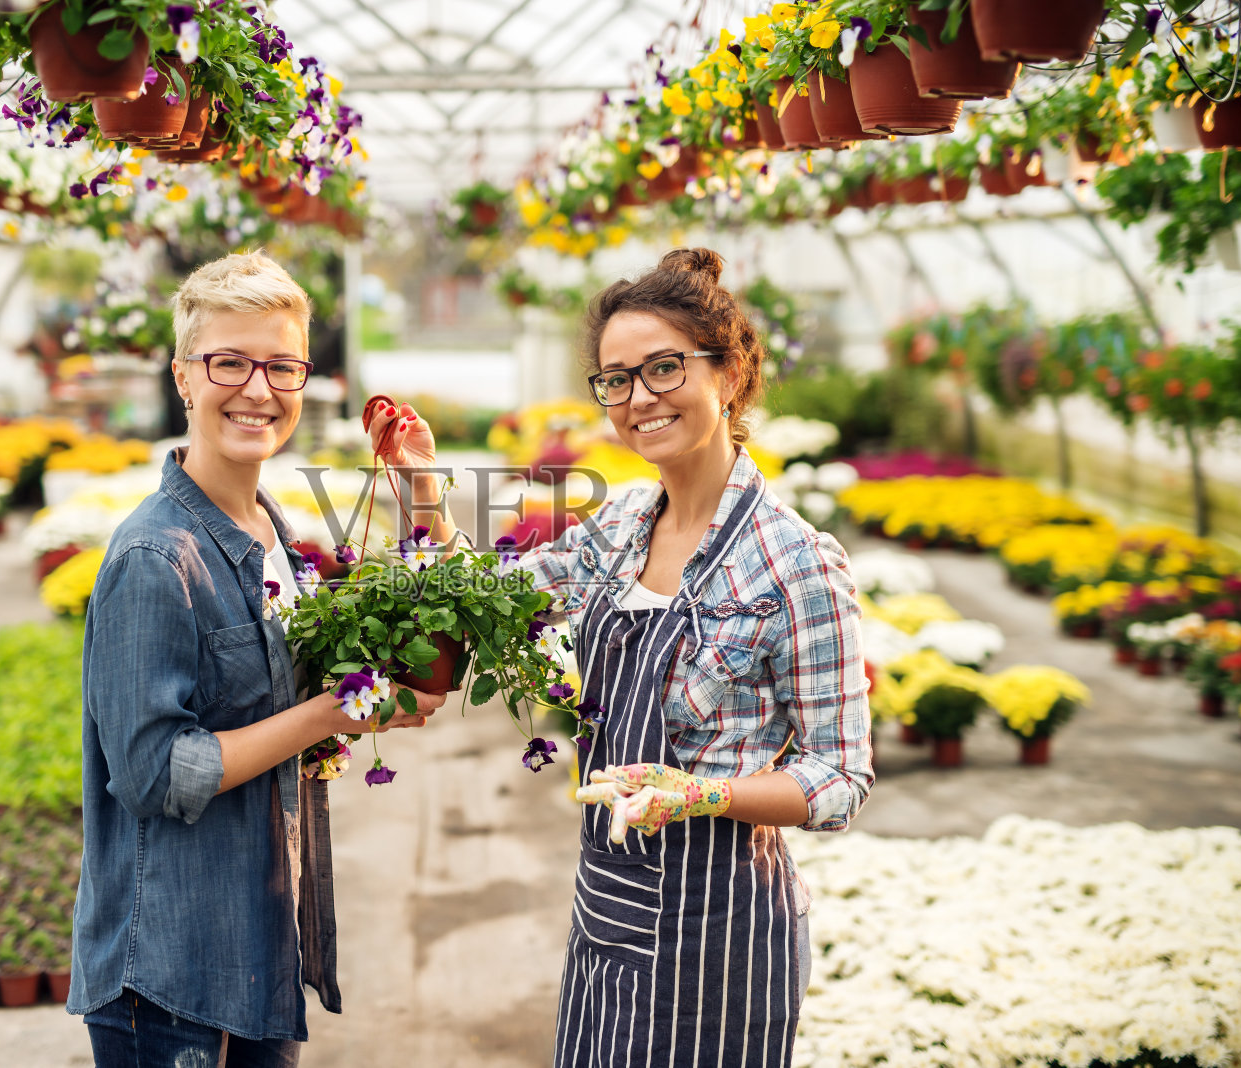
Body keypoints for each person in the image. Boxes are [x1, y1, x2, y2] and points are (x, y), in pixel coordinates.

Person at [367, 248, 873, 1067]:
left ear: (729, 374)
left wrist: (701, 793)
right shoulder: (624, 525)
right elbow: (490, 600)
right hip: (606, 910)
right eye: (616, 379)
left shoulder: (794, 563)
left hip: (722, 936)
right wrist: (423, 485)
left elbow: (839, 778)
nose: (639, 398)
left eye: (664, 368)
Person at [69, 251, 444, 1068]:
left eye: (281, 365)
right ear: (183, 377)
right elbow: (156, 774)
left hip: (258, 948)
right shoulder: (154, 558)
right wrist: (333, 713)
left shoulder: (274, 536)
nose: (258, 388)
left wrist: (421, 490)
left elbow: (425, 626)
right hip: (170, 981)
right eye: (229, 362)